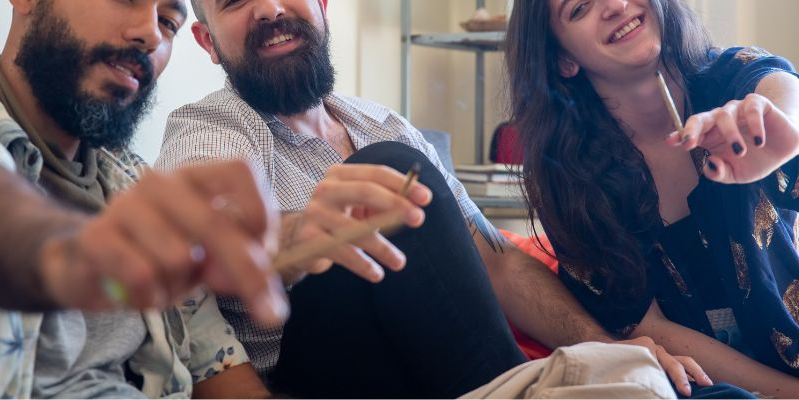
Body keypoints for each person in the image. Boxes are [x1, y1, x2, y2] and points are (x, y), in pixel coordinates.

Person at [155, 0, 755, 397]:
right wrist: (306, 229)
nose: (268, 6)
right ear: (207, 42)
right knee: (387, 178)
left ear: (322, 7)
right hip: (316, 372)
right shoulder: (211, 127)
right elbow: (207, 236)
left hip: (436, 367)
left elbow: (492, 260)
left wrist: (604, 345)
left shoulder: (382, 122)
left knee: (671, 382)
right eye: (235, 0)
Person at [0, 0, 293, 397]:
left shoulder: (132, 179)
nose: (152, 34)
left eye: (168, 22)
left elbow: (215, 365)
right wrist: (67, 254)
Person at [505, 0, 799, 397]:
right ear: (563, 60)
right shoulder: (567, 177)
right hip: (700, 386)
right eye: (580, 8)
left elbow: (779, 85)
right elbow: (646, 327)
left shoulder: (729, 77)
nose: (614, 5)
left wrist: (778, 124)